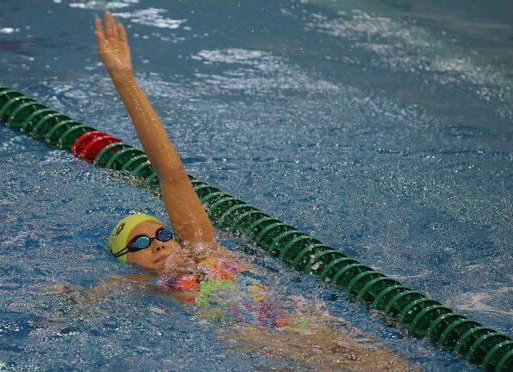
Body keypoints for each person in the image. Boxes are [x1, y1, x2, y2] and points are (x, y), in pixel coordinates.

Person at [91, 12, 410, 370]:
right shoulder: (145, 283)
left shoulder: (201, 248)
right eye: (139, 243)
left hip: (296, 319)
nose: (159, 243)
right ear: (125, 259)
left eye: (161, 232)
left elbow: (173, 174)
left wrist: (125, 79)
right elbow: (94, 297)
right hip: (254, 342)